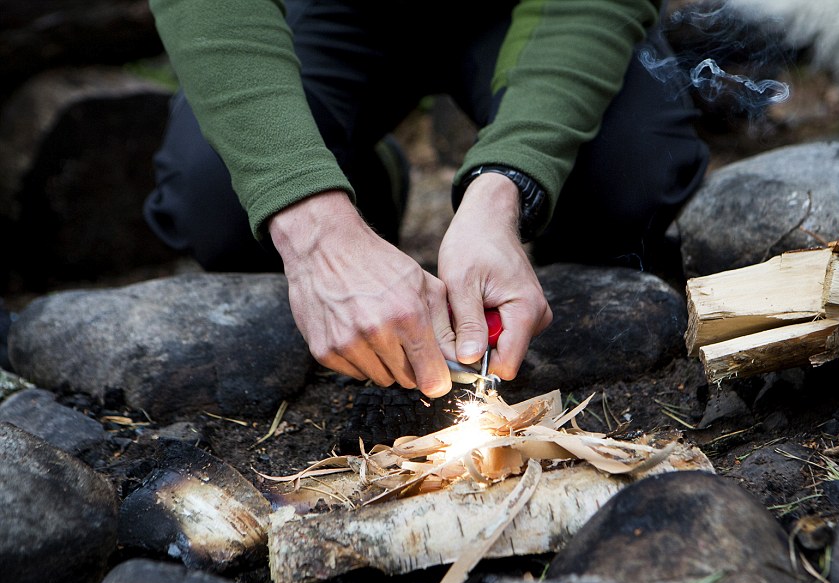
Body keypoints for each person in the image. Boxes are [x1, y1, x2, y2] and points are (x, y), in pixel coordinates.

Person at [143, 0, 709, 399]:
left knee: (630, 173)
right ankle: (364, 182)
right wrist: (313, 223)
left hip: (530, 13)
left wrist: (508, 183)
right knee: (217, 202)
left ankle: (548, 241)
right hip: (330, 11)